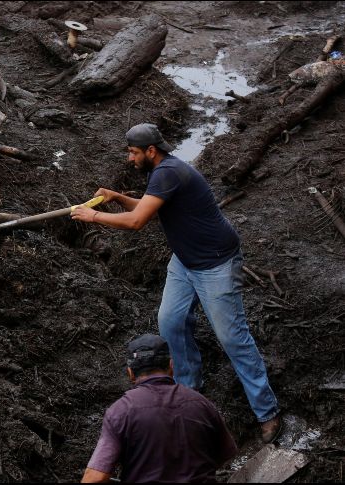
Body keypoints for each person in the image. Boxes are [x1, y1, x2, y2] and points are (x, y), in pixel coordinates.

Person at [71, 123, 281, 442]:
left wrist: (94, 217)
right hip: (184, 261)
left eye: (133, 153)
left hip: (217, 263)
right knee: (170, 322)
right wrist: (116, 198)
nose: (130, 159)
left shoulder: (168, 172)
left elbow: (138, 221)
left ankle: (267, 411)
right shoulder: (162, 173)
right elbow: (148, 209)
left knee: (232, 337)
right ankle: (188, 387)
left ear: (151, 151)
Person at [81, 334, 238, 483]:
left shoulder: (120, 412)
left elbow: (95, 478)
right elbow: (225, 453)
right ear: (171, 366)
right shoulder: (201, 403)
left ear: (130, 373)